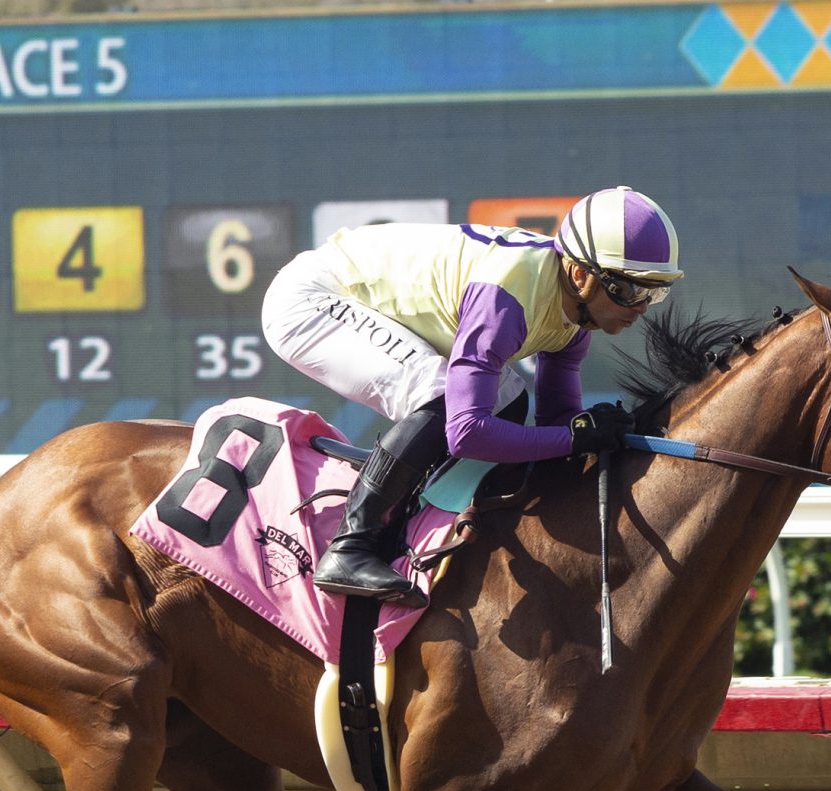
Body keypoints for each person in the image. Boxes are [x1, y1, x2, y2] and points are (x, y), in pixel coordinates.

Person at [259, 186, 684, 608]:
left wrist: (589, 436)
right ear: (579, 275)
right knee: (443, 397)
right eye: (629, 291)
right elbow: (466, 433)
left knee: (511, 403)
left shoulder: (576, 311)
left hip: (361, 296)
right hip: (312, 299)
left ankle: (420, 517)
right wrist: (575, 438)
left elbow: (558, 420)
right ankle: (349, 547)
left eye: (655, 292)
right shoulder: (507, 296)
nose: (642, 306)